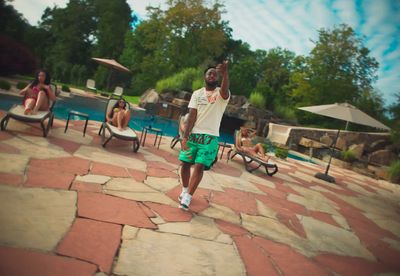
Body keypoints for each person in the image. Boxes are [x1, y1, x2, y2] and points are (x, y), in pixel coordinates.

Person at [178, 60, 230, 210]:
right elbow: (192, 115)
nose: (212, 75)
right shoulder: (197, 94)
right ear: (204, 77)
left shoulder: (221, 94)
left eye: (215, 73)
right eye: (209, 73)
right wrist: (185, 137)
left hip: (210, 137)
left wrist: (225, 73)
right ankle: (184, 189)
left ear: (218, 78)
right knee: (185, 164)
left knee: (200, 166)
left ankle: (187, 198)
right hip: (193, 135)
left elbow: (225, 90)